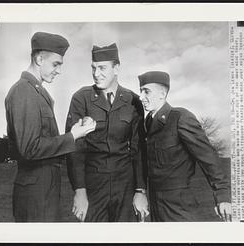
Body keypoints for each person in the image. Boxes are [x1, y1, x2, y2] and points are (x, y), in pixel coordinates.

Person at [5, 32, 96, 222]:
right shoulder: (24, 91)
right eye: (56, 64)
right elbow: (29, 148)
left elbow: (41, 141)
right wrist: (72, 137)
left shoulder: (36, 92)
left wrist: (74, 133)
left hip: (44, 190)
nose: (59, 71)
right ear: (39, 59)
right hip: (35, 196)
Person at [65, 43, 149, 222]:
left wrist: (140, 190)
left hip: (125, 184)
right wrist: (80, 191)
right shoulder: (81, 98)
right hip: (94, 184)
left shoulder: (133, 100)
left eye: (102, 68)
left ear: (116, 68)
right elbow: (75, 150)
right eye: (93, 68)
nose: (96, 74)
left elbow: (138, 148)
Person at [138, 71, 232, 222]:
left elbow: (208, 158)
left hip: (179, 205)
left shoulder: (180, 117)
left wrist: (222, 195)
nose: (141, 97)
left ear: (162, 94)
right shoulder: (149, 121)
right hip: (156, 202)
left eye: (146, 91)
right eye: (140, 91)